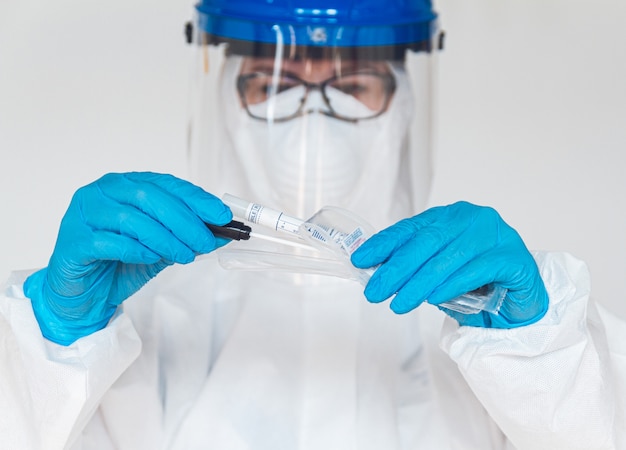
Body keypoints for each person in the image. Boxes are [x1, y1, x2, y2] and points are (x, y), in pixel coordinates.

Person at [0, 0, 624, 449]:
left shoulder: (484, 330)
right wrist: (49, 349)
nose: (313, 118)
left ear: (403, 105)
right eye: (274, 85)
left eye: (355, 84)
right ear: (224, 101)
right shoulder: (129, 331)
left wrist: (545, 360)